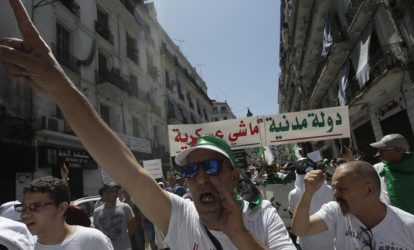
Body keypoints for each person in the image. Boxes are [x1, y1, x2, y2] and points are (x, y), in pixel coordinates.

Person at [0, 1, 295, 249]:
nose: (201, 177)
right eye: (191, 171)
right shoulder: (180, 215)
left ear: (234, 175)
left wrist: (239, 235)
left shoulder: (262, 217)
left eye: (213, 167)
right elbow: (126, 168)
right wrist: (57, 83)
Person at [292, 161, 414, 250]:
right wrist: (308, 193)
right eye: (334, 188)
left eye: (342, 189)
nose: (335, 194)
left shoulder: (412, 227)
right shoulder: (336, 211)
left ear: (369, 190)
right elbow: (300, 230)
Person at [16, 176, 113, 249]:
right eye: (23, 207)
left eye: (35, 207)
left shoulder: (93, 241)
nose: (25, 215)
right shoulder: (20, 246)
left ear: (61, 208)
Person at [288, 158, 334, 250]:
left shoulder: (294, 194)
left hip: (306, 234)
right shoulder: (329, 189)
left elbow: (295, 215)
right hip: (329, 235)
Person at [370, 133, 414, 217]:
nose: (378, 153)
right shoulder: (379, 168)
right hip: (396, 222)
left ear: (398, 150)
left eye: (383, 149)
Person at [93, 182, 136, 250]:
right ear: (105, 194)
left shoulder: (125, 207)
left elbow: (132, 225)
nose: (115, 194)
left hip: (124, 247)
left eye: (116, 192)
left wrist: (125, 237)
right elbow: (98, 231)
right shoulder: (97, 212)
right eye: (111, 192)